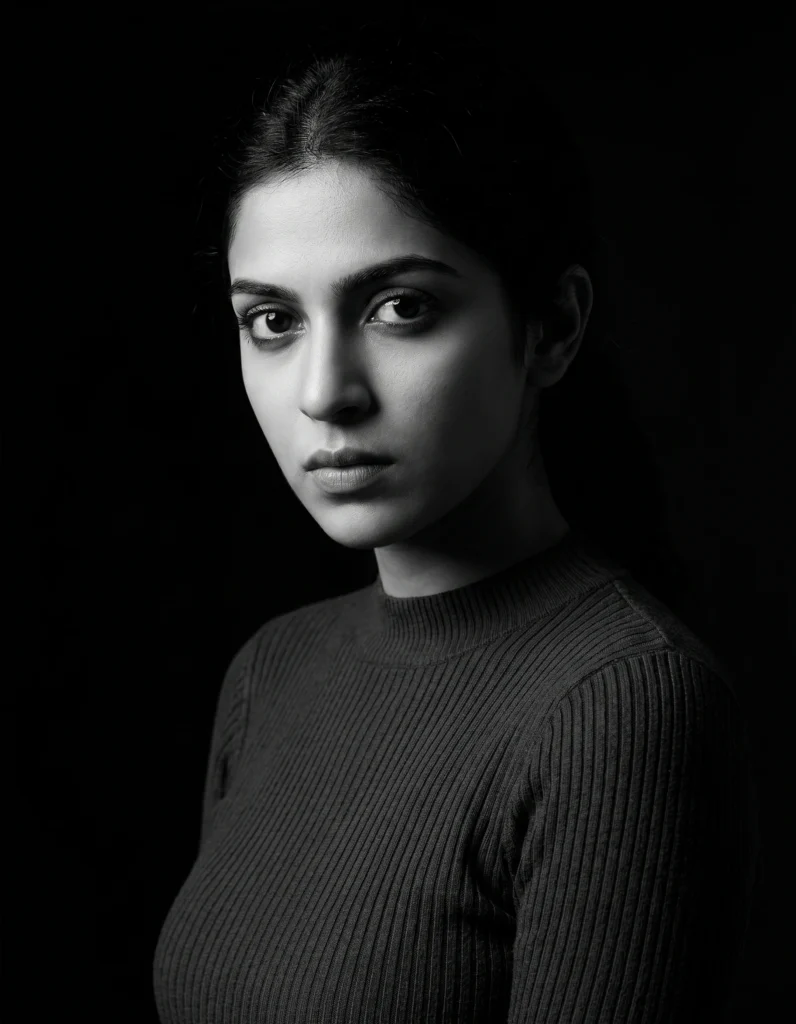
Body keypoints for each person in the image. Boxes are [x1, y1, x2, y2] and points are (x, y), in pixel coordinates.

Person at [152, 16, 761, 1023]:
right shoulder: (269, 671)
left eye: (399, 308)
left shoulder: (622, 707)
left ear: (551, 327)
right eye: (272, 321)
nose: (323, 392)